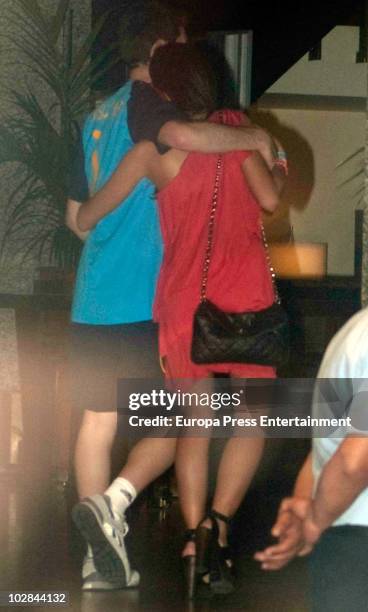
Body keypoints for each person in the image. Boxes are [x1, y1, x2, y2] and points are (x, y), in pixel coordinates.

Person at [66, 0, 277, 593]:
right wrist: (261, 141)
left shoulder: (118, 132)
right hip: (194, 300)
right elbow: (259, 189)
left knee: (137, 425)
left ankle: (135, 552)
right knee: (220, 417)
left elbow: (82, 217)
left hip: (132, 303)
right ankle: (182, 520)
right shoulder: (198, 125)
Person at [254, 307, 368, 611]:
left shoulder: (351, 333)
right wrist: (313, 517)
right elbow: (353, 459)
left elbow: (333, 447)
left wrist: (310, 514)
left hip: (344, 540)